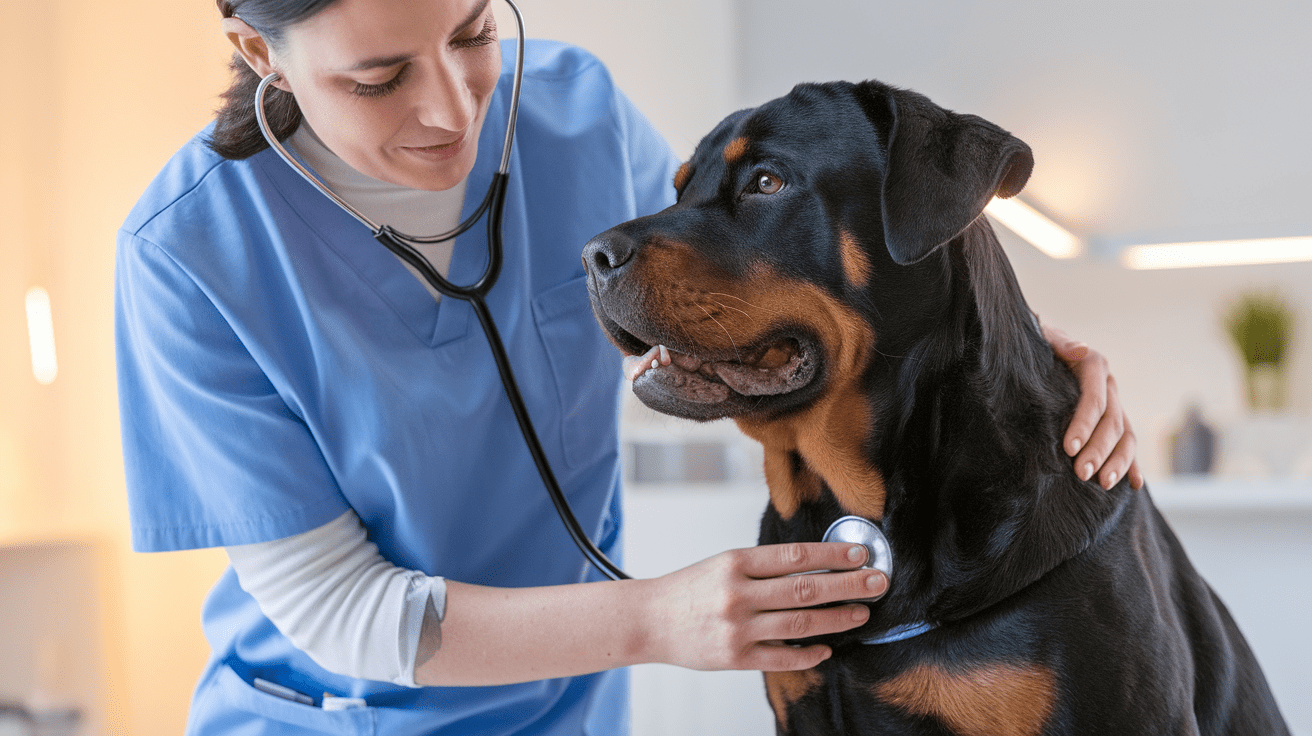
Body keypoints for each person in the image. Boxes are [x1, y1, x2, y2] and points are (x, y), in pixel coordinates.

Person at [115, 0, 1143, 733]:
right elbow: (337, 605)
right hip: (338, 715)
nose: (451, 108)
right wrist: (658, 617)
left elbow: (744, 267)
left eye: (472, 32)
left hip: (574, 702)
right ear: (262, 51)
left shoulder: (571, 109)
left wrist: (1023, 352)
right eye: (379, 77)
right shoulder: (189, 255)